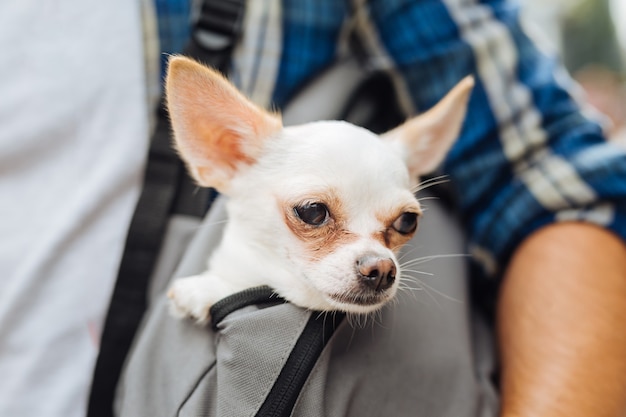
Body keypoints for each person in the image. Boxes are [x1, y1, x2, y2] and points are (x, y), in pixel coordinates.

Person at [1, 1, 625, 416]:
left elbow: (555, 174)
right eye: (315, 215)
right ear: (220, 150)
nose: (378, 261)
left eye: (400, 223)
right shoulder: (243, 154)